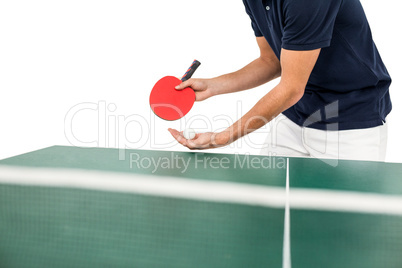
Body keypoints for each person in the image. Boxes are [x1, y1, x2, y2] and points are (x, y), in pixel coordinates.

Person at [168, 0, 392, 161]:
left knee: (344, 225)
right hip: (295, 117)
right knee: (268, 212)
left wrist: (222, 137)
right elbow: (272, 60)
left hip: (351, 123)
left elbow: (291, 89)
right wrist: (213, 86)